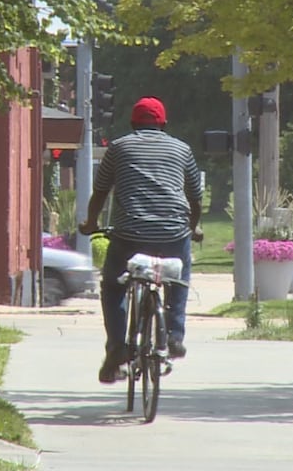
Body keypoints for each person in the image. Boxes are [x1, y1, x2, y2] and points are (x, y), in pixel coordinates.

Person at [78, 96, 203, 384]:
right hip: (173, 232)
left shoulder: (119, 147)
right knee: (179, 278)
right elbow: (195, 199)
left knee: (113, 285)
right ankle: (174, 335)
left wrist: (90, 223)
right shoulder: (182, 149)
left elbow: (100, 192)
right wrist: (192, 228)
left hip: (130, 234)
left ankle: (117, 349)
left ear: (133, 124)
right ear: (164, 124)